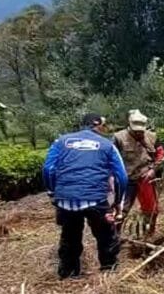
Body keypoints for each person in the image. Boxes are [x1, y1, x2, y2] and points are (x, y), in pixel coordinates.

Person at [42, 114, 128, 279]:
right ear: (97, 125)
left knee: (69, 237)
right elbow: (121, 177)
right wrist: (117, 203)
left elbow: (48, 169)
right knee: (106, 237)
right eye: (104, 125)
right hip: (96, 199)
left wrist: (53, 192)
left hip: (66, 201)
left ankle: (68, 275)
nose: (105, 128)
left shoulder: (60, 142)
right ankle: (109, 273)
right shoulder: (107, 145)